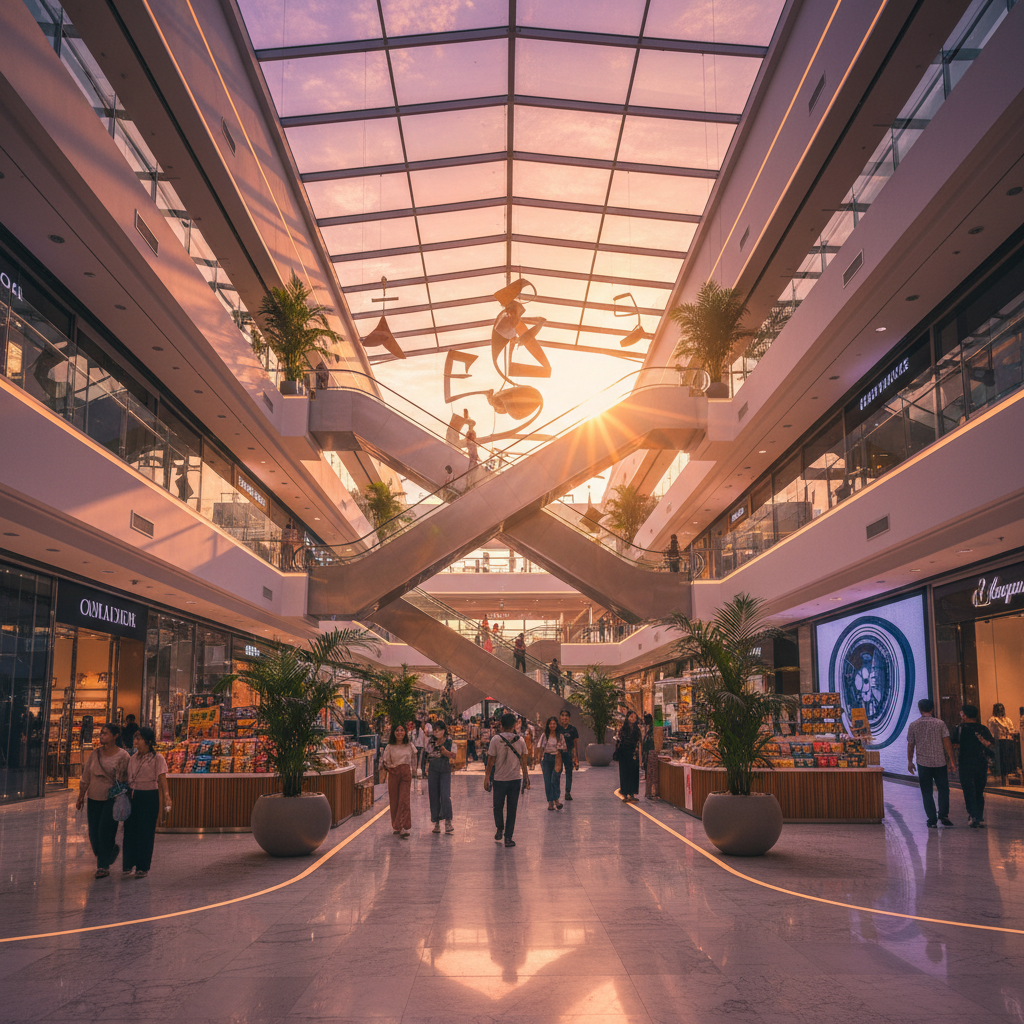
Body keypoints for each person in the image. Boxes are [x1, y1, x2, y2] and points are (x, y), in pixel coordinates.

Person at [75, 723, 129, 878]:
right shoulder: (95, 754)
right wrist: (81, 797)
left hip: (111, 798)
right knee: (93, 833)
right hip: (93, 797)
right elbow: (86, 777)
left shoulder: (123, 756)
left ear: (115, 736)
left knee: (105, 831)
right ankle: (109, 852)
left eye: (105, 733)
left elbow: (124, 779)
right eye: (101, 733)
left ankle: (103, 866)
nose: (101, 736)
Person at [122, 726, 170, 878]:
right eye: (135, 737)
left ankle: (143, 866)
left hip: (149, 796)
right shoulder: (132, 758)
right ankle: (128, 864)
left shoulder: (157, 758)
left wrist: (167, 797)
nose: (135, 741)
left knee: (146, 831)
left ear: (148, 741)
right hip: (132, 795)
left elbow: (162, 780)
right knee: (130, 831)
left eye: (139, 738)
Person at [907, 698, 956, 827]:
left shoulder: (913, 725)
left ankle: (932, 819)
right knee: (944, 790)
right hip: (940, 762)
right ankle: (943, 815)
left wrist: (909, 762)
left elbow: (911, 745)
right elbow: (947, 743)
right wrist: (952, 761)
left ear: (920, 709)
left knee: (926, 791)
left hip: (923, 763)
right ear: (932, 709)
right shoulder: (940, 724)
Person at [484, 712, 530, 847]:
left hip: (499, 780)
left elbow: (490, 761)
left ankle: (500, 827)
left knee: (497, 807)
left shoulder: (495, 740)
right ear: (514, 725)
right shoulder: (520, 740)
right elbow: (524, 762)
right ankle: (508, 838)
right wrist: (526, 778)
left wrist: (487, 778)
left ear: (501, 725)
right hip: (515, 780)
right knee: (512, 809)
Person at [951, 705, 994, 828]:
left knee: (968, 789)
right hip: (981, 761)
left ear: (964, 714)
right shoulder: (983, 729)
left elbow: (954, 744)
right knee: (979, 790)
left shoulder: (958, 728)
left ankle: (973, 815)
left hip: (965, 761)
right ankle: (978, 816)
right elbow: (990, 744)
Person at [382, 724, 415, 837]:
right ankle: (396, 826)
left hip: (405, 773)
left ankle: (405, 825)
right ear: (394, 732)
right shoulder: (390, 746)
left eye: (402, 730)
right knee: (394, 800)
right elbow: (385, 760)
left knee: (404, 799)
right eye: (397, 730)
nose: (400, 732)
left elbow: (414, 758)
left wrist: (415, 770)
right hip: (393, 773)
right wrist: (391, 767)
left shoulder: (409, 745)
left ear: (405, 732)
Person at [426, 722, 457, 834]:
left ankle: (448, 821)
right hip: (433, 770)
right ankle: (436, 822)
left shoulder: (449, 741)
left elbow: (454, 755)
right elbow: (427, 754)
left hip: (445, 770)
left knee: (445, 795)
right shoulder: (431, 741)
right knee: (434, 796)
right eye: (435, 730)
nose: (437, 732)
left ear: (444, 730)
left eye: (439, 729)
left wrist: (445, 752)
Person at [536, 716, 566, 810]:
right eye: (550, 724)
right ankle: (550, 802)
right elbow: (539, 746)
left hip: (557, 759)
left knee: (555, 780)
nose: (552, 725)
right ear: (548, 725)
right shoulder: (545, 735)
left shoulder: (560, 736)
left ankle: (556, 800)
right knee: (547, 781)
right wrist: (538, 758)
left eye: (554, 724)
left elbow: (564, 748)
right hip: (547, 758)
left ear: (556, 725)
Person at [987, 702, 1017, 783]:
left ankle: (1009, 773)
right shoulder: (992, 719)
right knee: (1002, 759)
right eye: (998, 709)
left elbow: (1012, 729)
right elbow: (991, 732)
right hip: (999, 741)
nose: (1000, 710)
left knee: (1009, 758)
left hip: (1009, 740)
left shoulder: (1007, 719)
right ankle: (1003, 776)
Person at [617, 711, 642, 802]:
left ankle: (632, 794)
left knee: (634, 774)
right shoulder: (623, 729)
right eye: (631, 717)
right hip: (624, 753)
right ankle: (625, 794)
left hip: (633, 753)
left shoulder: (637, 729)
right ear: (628, 717)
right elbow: (620, 739)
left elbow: (639, 742)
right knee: (624, 773)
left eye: (634, 717)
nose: (632, 719)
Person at [558, 708, 580, 800]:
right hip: (558, 754)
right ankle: (556, 793)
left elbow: (575, 744)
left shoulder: (573, 729)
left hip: (569, 754)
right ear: (560, 717)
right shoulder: (557, 729)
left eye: (566, 715)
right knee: (557, 773)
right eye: (562, 715)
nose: (564, 717)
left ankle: (567, 792)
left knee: (569, 773)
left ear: (569, 718)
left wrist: (576, 758)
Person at [642, 712, 659, 799]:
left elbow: (649, 742)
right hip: (649, 753)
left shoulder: (652, 730)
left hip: (651, 753)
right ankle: (650, 791)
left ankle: (651, 791)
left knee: (651, 773)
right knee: (650, 773)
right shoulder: (650, 730)